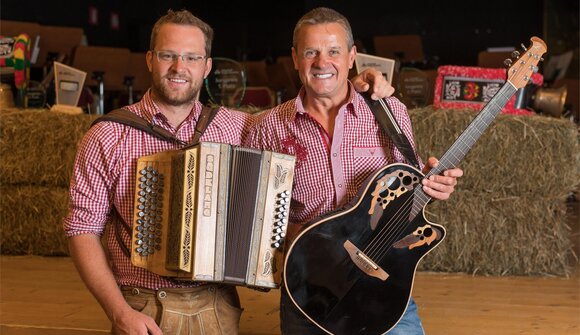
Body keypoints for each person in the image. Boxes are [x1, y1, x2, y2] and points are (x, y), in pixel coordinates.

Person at [63, 8, 396, 335]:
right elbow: (81, 229)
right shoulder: (108, 135)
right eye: (169, 55)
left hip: (217, 307)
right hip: (142, 305)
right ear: (150, 59)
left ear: (206, 67)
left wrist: (358, 85)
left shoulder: (238, 127)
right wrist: (119, 312)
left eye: (192, 58)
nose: (180, 68)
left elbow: (314, 104)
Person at [245, 7, 464, 335]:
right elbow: (254, 215)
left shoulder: (389, 113)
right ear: (294, 58)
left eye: (333, 51)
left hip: (379, 286)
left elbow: (409, 196)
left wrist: (434, 186)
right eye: (311, 52)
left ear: (352, 57)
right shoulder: (268, 128)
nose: (322, 62)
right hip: (309, 290)